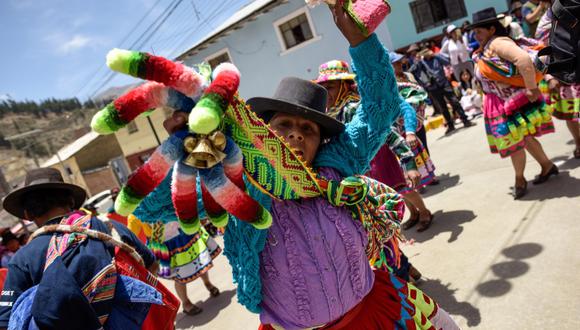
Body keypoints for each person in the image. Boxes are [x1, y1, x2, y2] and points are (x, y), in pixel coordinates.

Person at [141, 3, 459, 329]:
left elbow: (381, 108)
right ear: (265, 132)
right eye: (284, 125)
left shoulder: (337, 164)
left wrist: (362, 43)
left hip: (372, 313)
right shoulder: (238, 187)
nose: (296, 133)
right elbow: (151, 207)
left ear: (321, 142)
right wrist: (196, 145)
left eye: (308, 129)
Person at [0, 168, 161, 328]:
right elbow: (151, 266)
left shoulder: (22, 259)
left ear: (27, 214)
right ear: (70, 201)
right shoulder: (110, 228)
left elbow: (6, 321)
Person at [316, 58, 436, 233]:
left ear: (344, 86)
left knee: (402, 187)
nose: (327, 93)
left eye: (331, 87)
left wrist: (408, 164)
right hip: (365, 163)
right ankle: (414, 214)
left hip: (382, 155)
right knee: (390, 192)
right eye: (323, 89)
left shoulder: (355, 107)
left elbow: (388, 132)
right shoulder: (333, 111)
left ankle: (425, 212)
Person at [470, 7, 558, 199]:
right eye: (475, 32)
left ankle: (519, 179)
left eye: (479, 31)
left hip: (506, 103)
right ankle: (547, 166)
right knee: (523, 138)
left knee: (514, 144)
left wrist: (531, 87)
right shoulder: (489, 45)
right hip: (500, 102)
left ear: (492, 29)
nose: (476, 36)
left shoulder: (498, 42)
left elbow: (523, 59)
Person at [129, 214, 222, 316]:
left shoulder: (164, 197)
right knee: (179, 276)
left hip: (184, 234)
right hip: (165, 247)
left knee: (200, 261)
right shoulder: (136, 212)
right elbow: (130, 235)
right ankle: (186, 303)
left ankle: (208, 284)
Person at [535, 4, 580, 158]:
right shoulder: (547, 19)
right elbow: (541, 48)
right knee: (571, 114)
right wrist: (550, 76)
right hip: (568, 74)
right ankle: (579, 144)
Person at [410, 46, 474, 134]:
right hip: (432, 87)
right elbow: (412, 70)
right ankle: (450, 125)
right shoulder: (420, 62)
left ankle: (465, 120)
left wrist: (436, 55)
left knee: (455, 102)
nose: (427, 53)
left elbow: (447, 62)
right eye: (424, 52)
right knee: (442, 107)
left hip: (444, 84)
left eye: (427, 51)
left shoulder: (436, 58)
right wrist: (417, 61)